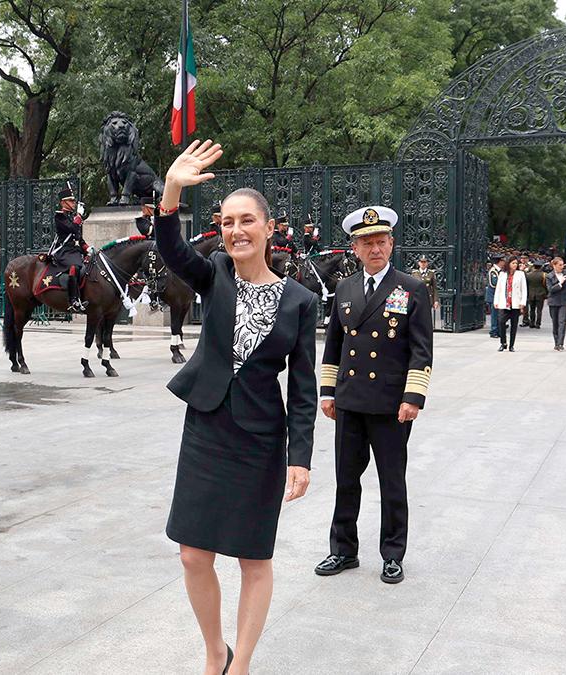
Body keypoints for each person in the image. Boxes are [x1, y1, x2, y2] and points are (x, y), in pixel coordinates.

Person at [156, 140, 316, 675]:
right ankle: (213, 650)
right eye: (227, 222)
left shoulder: (299, 301)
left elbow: (303, 388)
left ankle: (241, 663)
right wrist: (173, 188)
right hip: (206, 428)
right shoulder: (215, 273)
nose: (236, 231)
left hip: (260, 441)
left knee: (254, 558)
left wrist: (301, 456)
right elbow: (172, 250)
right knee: (193, 554)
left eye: (247, 221)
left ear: (269, 228)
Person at [316, 203, 433, 586]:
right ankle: (343, 550)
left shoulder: (411, 288)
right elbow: (334, 342)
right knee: (346, 479)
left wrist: (413, 397)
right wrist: (328, 391)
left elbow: (421, 349)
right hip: (350, 401)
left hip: (389, 404)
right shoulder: (346, 288)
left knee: (391, 482)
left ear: (391, 244)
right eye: (367, 243)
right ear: (355, 248)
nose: (375, 249)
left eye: (381, 242)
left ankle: (393, 554)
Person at [49, 186, 90, 311]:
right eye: (71, 201)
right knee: (74, 266)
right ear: (63, 203)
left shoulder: (72, 217)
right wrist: (78, 217)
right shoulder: (60, 216)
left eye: (73, 201)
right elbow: (71, 228)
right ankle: (73, 300)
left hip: (75, 251)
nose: (73, 203)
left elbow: (78, 237)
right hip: (64, 251)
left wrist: (87, 248)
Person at [494, 256, 527, 352]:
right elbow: (498, 289)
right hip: (504, 302)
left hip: (515, 303)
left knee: (514, 324)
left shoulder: (520, 274)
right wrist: (496, 301)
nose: (515, 265)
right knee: (501, 321)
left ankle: (512, 345)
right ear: (508, 264)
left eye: (516, 263)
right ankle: (503, 342)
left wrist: (522, 302)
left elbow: (524, 289)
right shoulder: (502, 274)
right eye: (513, 263)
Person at [545, 257, 566, 351]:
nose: (562, 267)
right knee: (555, 323)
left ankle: (560, 343)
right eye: (559, 265)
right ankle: (556, 342)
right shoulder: (549, 276)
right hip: (553, 302)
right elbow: (550, 289)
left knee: (562, 322)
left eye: (562, 264)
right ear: (554, 265)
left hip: (564, 301)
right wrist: (560, 283)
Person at [410, 255, 439, 325]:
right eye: (421, 262)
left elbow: (434, 288)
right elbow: (411, 286)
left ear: (427, 263)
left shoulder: (431, 273)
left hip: (428, 298)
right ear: (419, 263)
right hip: (417, 298)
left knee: (426, 316)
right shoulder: (414, 273)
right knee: (417, 315)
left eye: (424, 262)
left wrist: (436, 300)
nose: (423, 263)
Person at [486, 256, 504, 339]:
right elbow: (493, 283)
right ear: (499, 262)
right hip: (493, 296)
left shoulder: (500, 271)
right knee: (494, 314)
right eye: (503, 261)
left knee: (499, 314)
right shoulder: (493, 271)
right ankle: (493, 331)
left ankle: (498, 330)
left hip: (498, 296)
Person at [525, 262, 547, 328]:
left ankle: (532, 323)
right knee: (539, 310)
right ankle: (538, 323)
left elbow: (527, 285)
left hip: (531, 294)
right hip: (540, 294)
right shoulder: (544, 275)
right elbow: (546, 285)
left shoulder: (528, 275)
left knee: (532, 309)